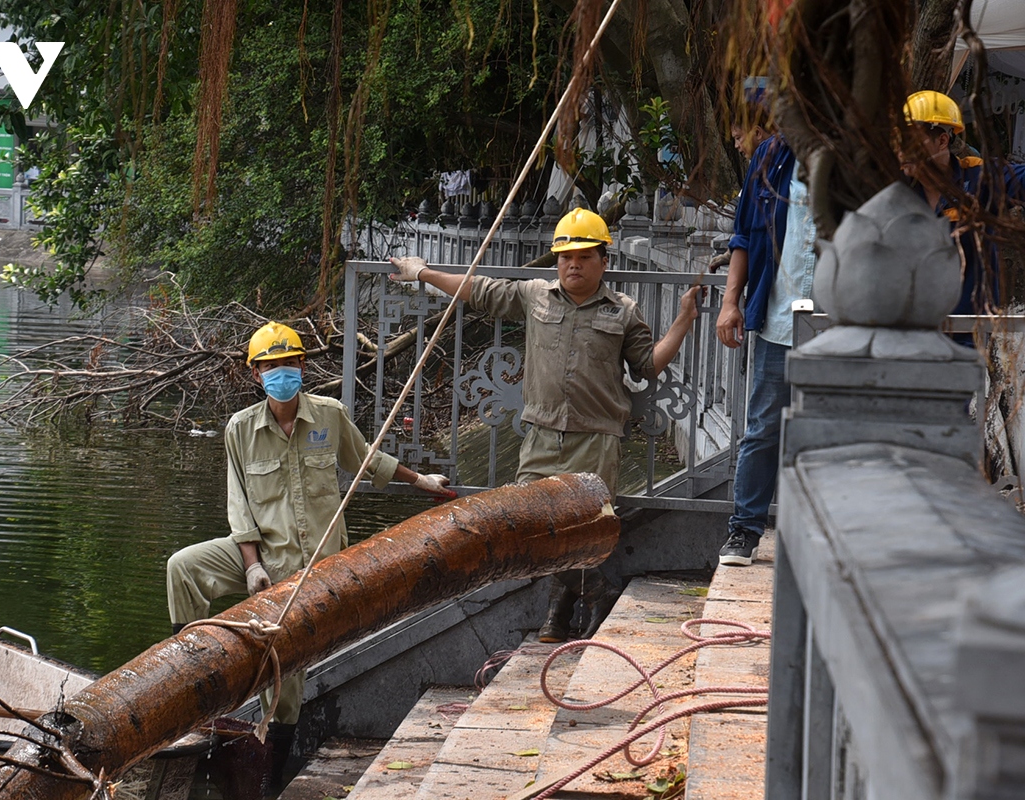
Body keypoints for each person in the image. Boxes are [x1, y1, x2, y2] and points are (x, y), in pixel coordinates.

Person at [389, 208, 702, 642]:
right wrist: (423, 272)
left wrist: (684, 318)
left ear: (603, 261)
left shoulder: (623, 310)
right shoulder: (535, 295)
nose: (573, 265)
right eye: (565, 257)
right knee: (532, 527)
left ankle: (558, 610)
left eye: (584, 257)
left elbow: (647, 367)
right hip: (541, 433)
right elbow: (478, 290)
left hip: (596, 437)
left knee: (583, 530)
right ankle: (597, 591)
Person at [166, 321, 454, 787]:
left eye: (289, 364)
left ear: (303, 366)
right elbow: (238, 504)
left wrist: (421, 481)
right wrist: (253, 565)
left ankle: (271, 776)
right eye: (271, 366)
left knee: (286, 679)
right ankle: (191, 675)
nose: (281, 373)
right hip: (261, 559)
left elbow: (367, 461)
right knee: (183, 567)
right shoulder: (240, 429)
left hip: (313, 571)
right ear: (256, 375)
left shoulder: (329, 415)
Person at [715, 126, 817, 568]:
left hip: (842, 328)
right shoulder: (771, 158)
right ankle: (745, 529)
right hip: (779, 321)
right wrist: (730, 302)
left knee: (832, 432)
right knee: (762, 429)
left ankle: (820, 532)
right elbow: (743, 235)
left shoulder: (857, 152)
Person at [899, 90, 1025, 344]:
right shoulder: (895, 192)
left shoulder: (979, 179)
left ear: (942, 141)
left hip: (968, 334)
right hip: (908, 334)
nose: (902, 151)